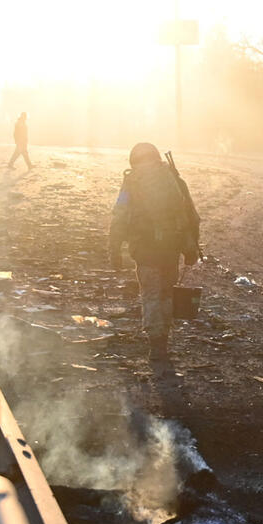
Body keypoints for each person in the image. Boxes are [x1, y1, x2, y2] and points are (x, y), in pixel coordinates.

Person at [108, 143, 200, 362]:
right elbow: (190, 217)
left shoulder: (131, 183)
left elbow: (119, 217)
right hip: (171, 248)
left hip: (145, 250)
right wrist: (191, 249)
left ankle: (155, 343)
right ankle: (164, 340)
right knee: (167, 293)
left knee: (150, 294)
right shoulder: (173, 179)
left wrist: (114, 250)